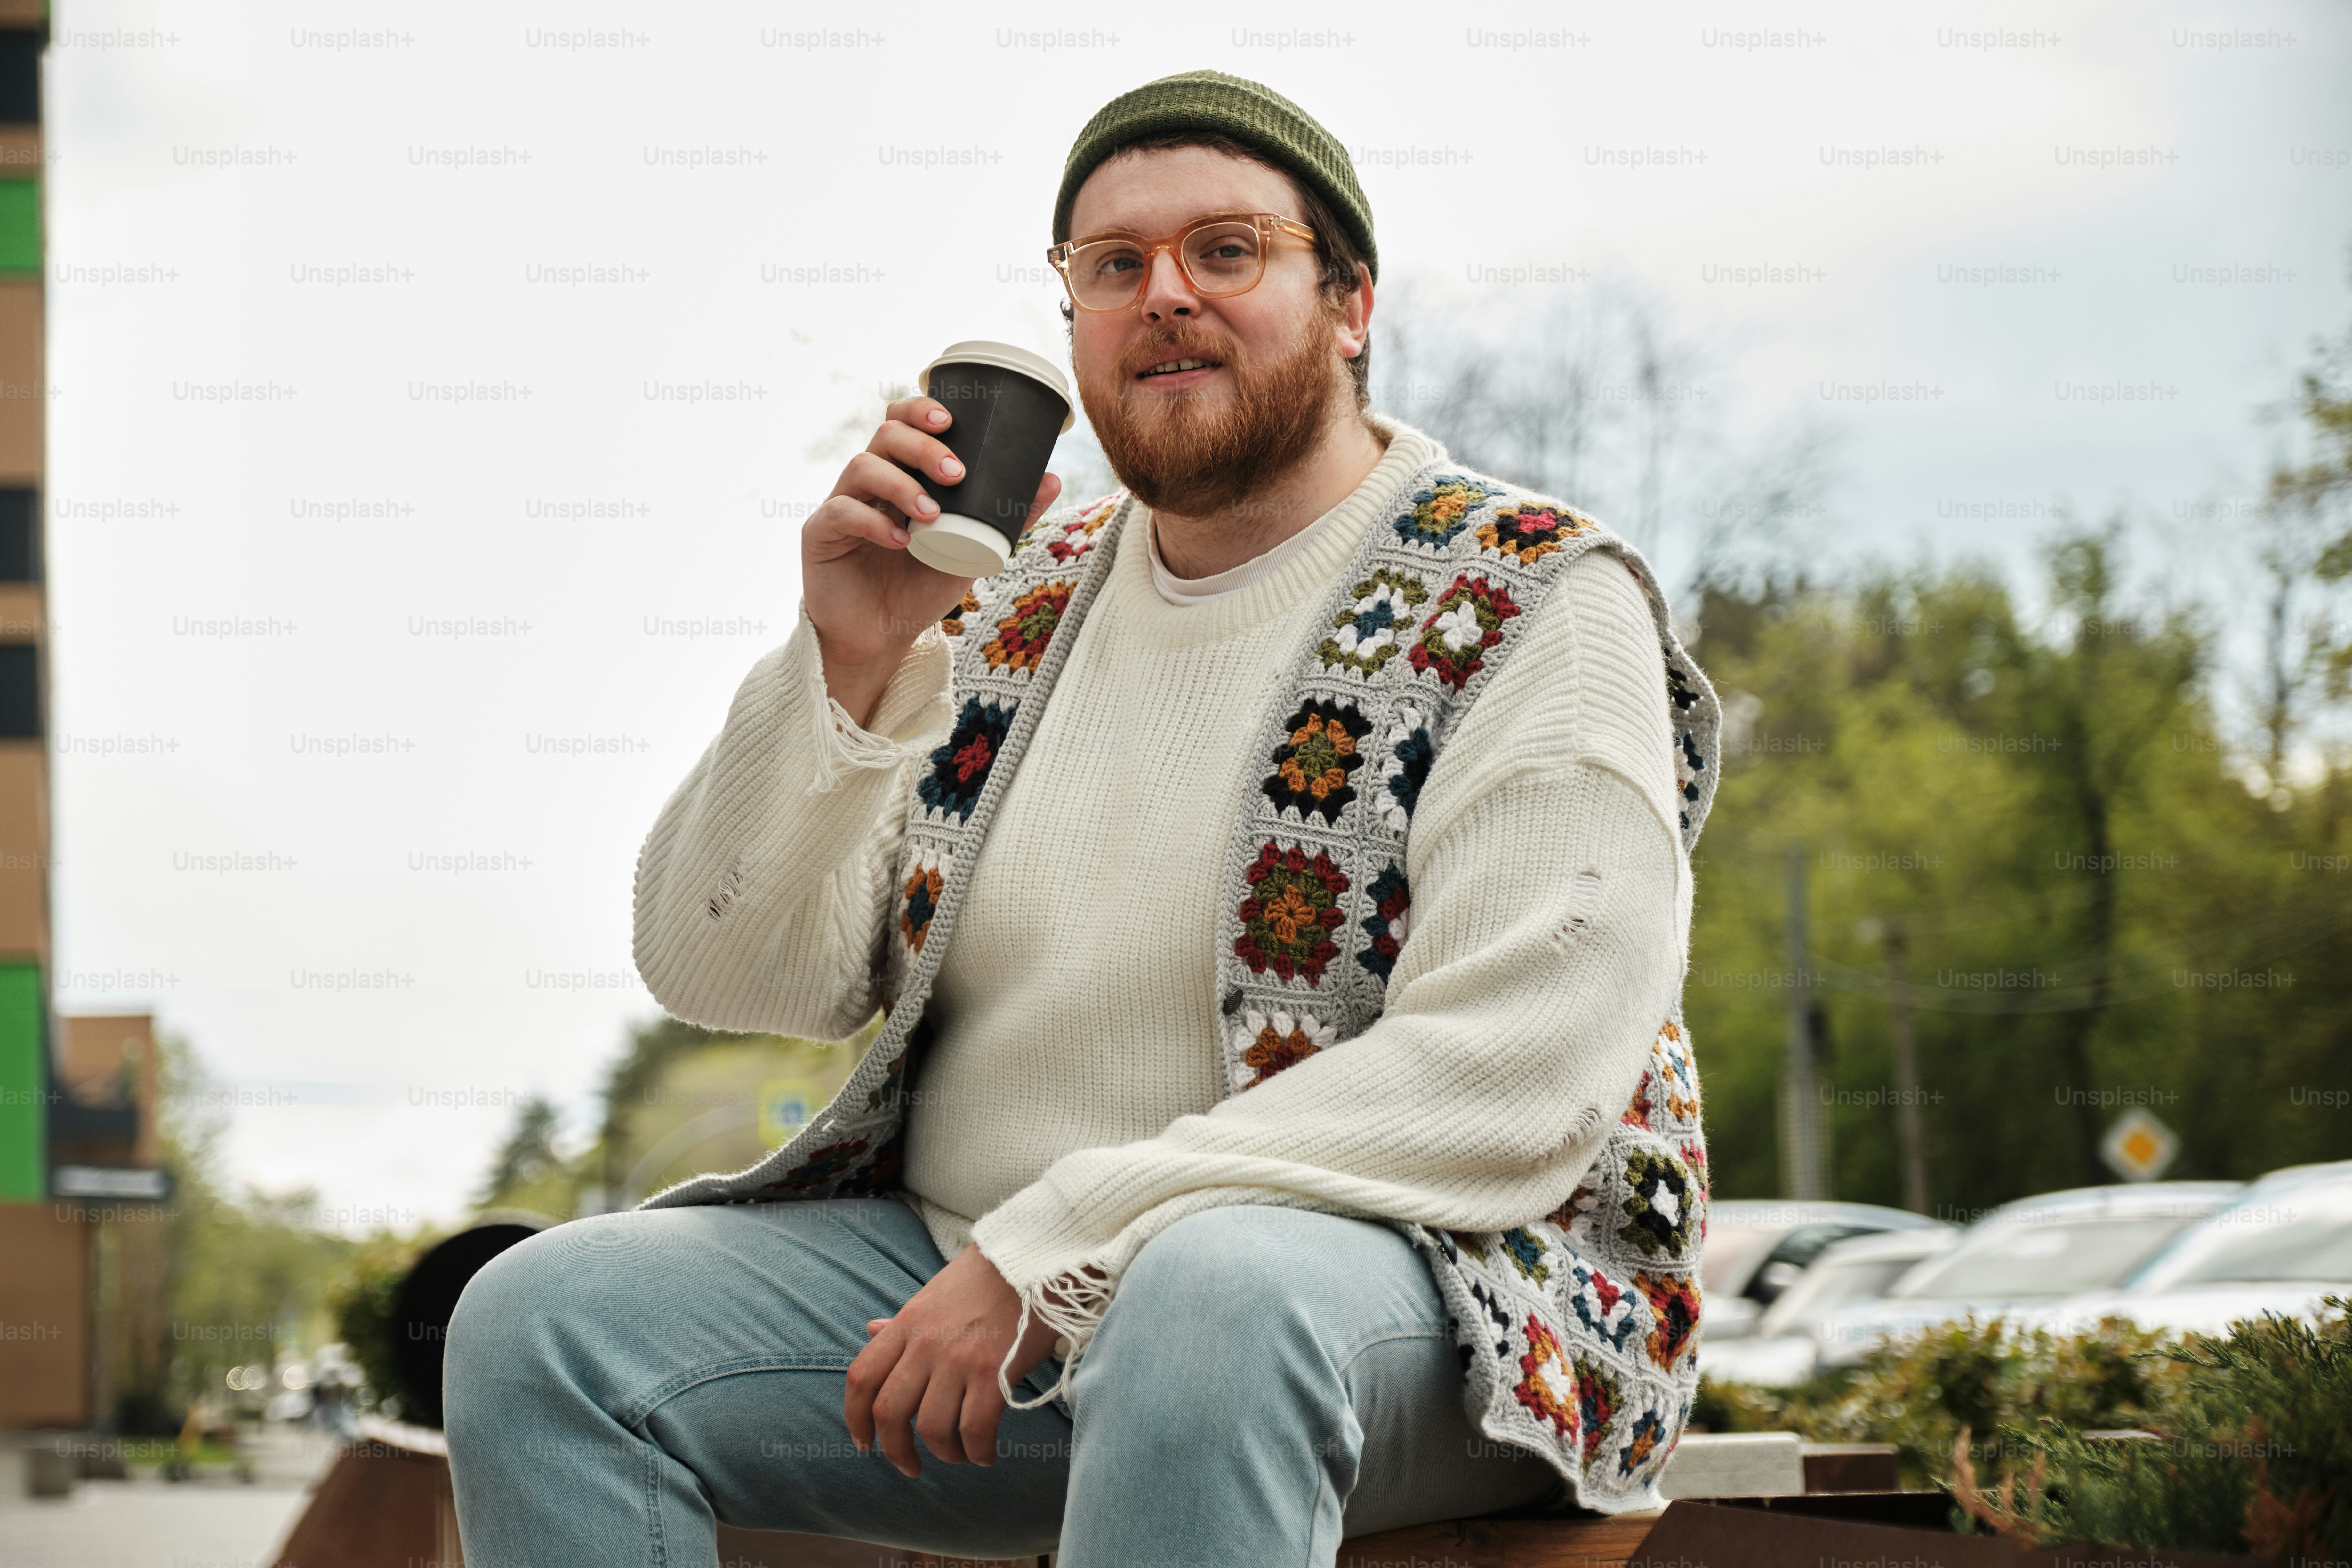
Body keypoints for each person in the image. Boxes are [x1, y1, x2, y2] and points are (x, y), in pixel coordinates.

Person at [446, 69, 1722, 1568]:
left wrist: (1064, 1238)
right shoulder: (1012, 598)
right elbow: (720, 969)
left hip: (1439, 1311)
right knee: (540, 1326)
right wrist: (846, 666)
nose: (1162, 295)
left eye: (1226, 250)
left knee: (1211, 1298)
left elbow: (1518, 1074)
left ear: (1350, 302)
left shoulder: (1524, 596)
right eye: (1111, 267)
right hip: (963, 1298)